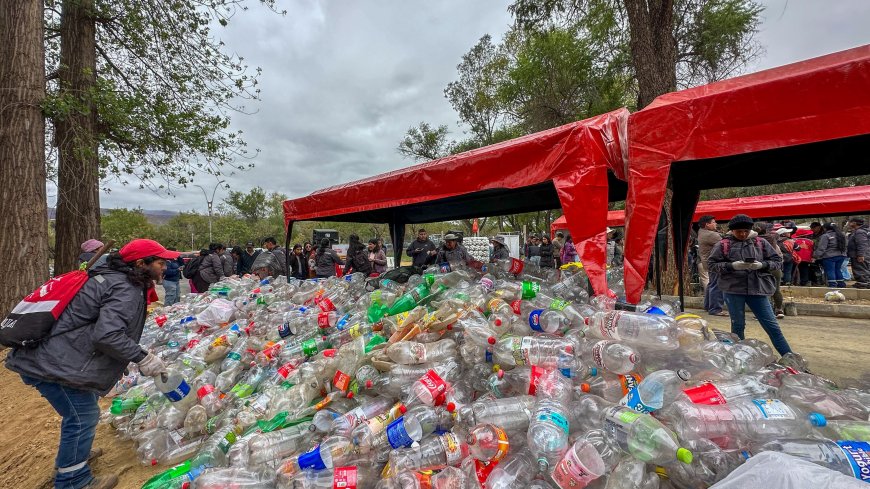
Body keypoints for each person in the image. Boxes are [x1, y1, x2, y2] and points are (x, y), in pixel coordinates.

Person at [7, 239, 176, 489]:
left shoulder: (108, 278)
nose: (166, 267)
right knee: (82, 416)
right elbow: (108, 335)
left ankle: (74, 457)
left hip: (51, 356)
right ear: (141, 263)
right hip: (56, 365)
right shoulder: (124, 288)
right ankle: (73, 480)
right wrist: (143, 357)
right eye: (161, 262)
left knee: (82, 410)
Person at [708, 214, 792, 356]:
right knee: (738, 326)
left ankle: (790, 357)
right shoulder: (723, 244)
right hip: (733, 290)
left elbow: (777, 261)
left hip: (758, 290)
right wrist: (731, 266)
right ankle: (740, 358)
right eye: (738, 231)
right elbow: (711, 265)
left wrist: (763, 265)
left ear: (751, 230)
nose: (742, 234)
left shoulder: (761, 242)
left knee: (772, 326)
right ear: (732, 231)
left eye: (746, 231)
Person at [697, 215, 726, 316]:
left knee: (712, 284)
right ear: (707, 224)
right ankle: (715, 308)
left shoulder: (701, 232)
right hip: (714, 263)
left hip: (708, 262)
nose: (716, 224)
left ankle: (708, 305)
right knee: (717, 285)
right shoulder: (711, 235)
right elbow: (725, 241)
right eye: (713, 222)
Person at [756, 222, 785, 319]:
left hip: (763, 267)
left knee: (763, 290)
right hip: (776, 267)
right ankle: (779, 310)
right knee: (776, 290)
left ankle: (766, 312)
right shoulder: (772, 238)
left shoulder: (754, 240)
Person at [813, 222, 847, 288]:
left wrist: (815, 256)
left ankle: (832, 285)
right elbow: (846, 245)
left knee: (830, 270)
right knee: (838, 269)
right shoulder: (842, 235)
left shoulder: (825, 236)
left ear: (825, 228)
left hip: (829, 256)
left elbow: (821, 248)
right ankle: (841, 284)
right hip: (841, 255)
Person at [847, 217, 870, 288]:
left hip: (859, 254)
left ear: (854, 223)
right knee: (863, 268)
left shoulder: (860, 232)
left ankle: (863, 283)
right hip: (860, 253)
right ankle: (864, 282)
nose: (849, 224)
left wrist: (860, 255)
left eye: (850, 222)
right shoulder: (860, 231)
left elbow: (861, 243)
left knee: (860, 269)